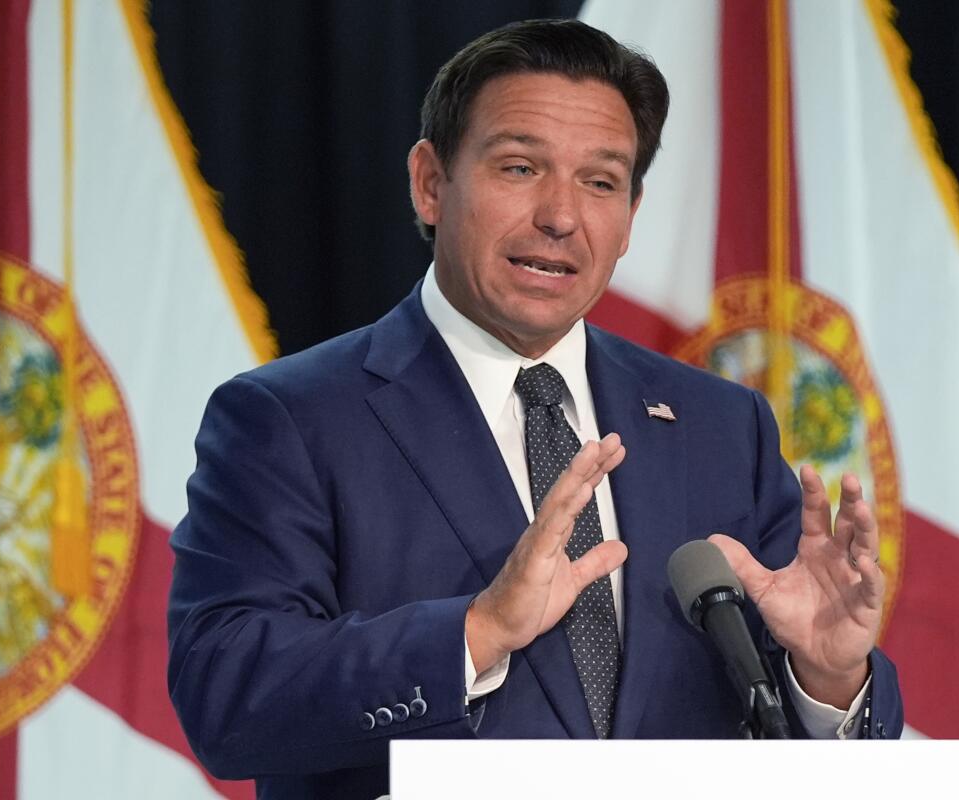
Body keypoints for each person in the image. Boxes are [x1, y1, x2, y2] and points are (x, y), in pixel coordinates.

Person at [167, 18, 903, 800]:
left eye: (600, 181)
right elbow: (227, 697)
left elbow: (789, 739)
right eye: (520, 168)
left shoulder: (722, 426)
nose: (561, 216)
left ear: (629, 214)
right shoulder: (291, 419)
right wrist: (475, 633)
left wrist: (827, 673)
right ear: (430, 182)